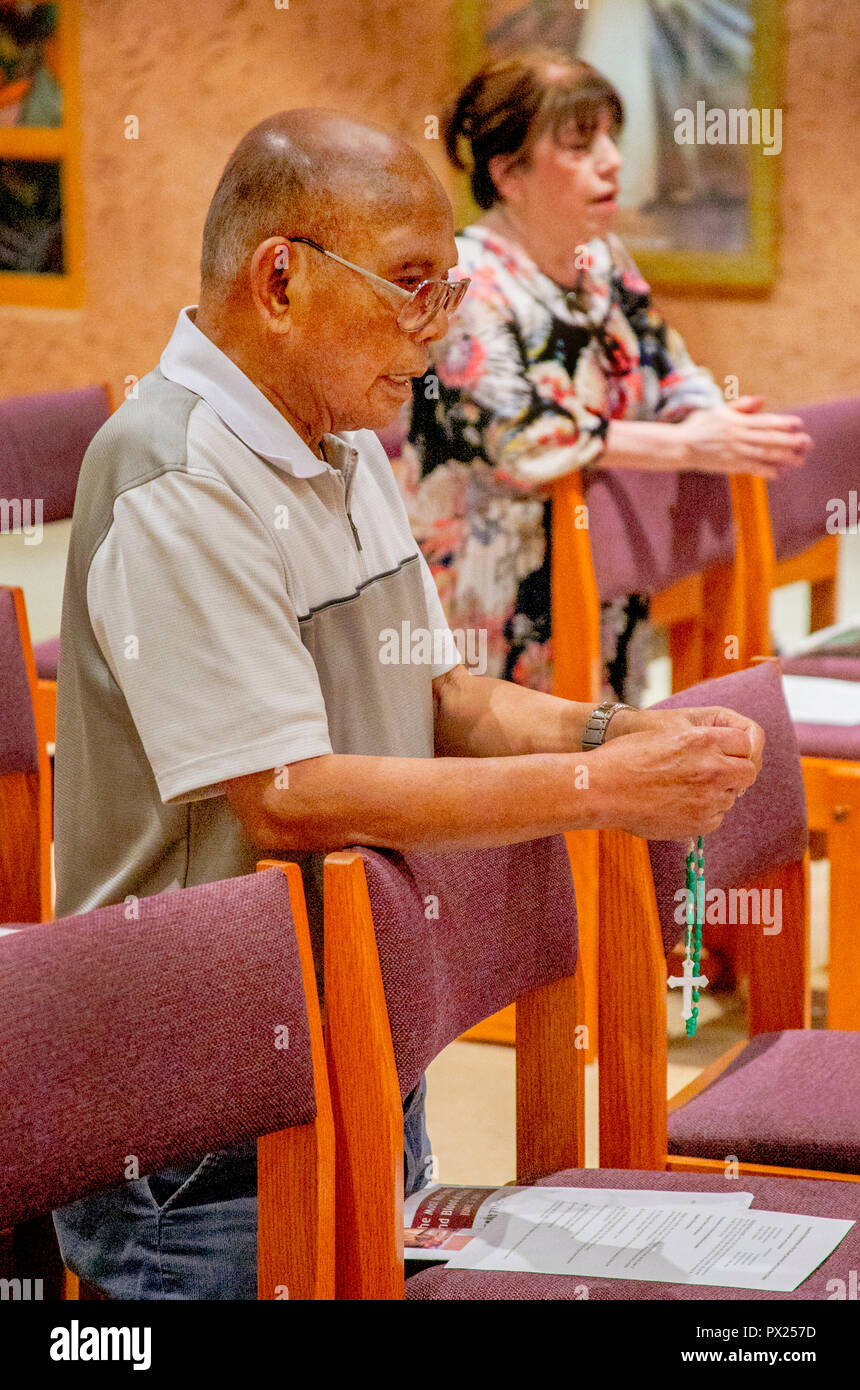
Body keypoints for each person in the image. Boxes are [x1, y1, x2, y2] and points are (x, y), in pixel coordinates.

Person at [52, 108, 763, 1300]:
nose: (436, 337)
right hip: (197, 1121)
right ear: (280, 278)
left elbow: (435, 695)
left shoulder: (338, 440)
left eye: (445, 294)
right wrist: (596, 791)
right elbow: (287, 794)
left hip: (356, 1041)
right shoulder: (175, 471)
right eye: (412, 289)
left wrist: (614, 733)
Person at [401, 49, 811, 701]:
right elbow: (525, 438)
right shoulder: (470, 284)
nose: (611, 160)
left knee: (603, 766)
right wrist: (686, 444)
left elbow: (663, 365)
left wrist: (713, 416)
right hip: (490, 586)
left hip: (600, 563)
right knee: (521, 788)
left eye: (610, 138)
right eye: (579, 144)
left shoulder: (602, 260)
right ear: (509, 173)